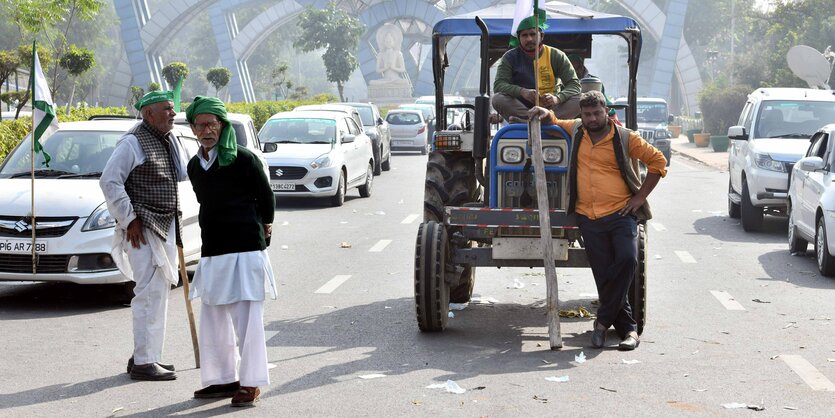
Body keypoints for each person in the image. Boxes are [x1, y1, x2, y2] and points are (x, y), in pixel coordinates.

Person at [529, 91, 667, 351]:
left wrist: (638, 199)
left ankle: (602, 324)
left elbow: (659, 162)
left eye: (597, 113)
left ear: (606, 112)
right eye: (588, 114)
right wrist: (544, 112)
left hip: (620, 214)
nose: (592, 118)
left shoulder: (626, 138)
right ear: (582, 114)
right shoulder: (578, 130)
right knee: (604, 276)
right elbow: (555, 121)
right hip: (588, 217)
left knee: (627, 260)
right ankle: (629, 331)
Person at [185, 96, 277, 407]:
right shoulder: (195, 165)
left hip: (245, 247)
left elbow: (265, 197)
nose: (207, 129)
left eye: (213, 123)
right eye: (201, 124)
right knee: (213, 317)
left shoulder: (243, 159)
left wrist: (266, 224)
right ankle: (221, 379)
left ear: (222, 126)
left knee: (247, 318)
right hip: (212, 248)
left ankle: (251, 382)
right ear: (194, 128)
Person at [100, 90, 188, 380]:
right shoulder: (132, 142)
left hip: (164, 226)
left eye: (173, 109)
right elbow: (110, 181)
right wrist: (130, 219)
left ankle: (147, 355)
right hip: (143, 230)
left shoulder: (169, 139)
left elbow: (180, 176)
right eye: (167, 109)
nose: (173, 114)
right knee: (149, 294)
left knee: (159, 292)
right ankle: (144, 362)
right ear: (149, 114)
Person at [492, 9, 581, 122]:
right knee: (497, 99)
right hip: (522, 107)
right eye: (524, 35)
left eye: (533, 34)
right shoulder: (509, 57)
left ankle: (538, 119)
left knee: (581, 99)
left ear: (541, 35)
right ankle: (534, 119)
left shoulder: (556, 55)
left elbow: (574, 84)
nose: (529, 39)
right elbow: (499, 85)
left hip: (553, 108)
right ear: (518, 38)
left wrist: (557, 98)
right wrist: (522, 92)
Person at [567, 53, 621, 126]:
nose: (576, 72)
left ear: (582, 67)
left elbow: (604, 101)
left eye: (578, 68)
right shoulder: (560, 83)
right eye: (572, 69)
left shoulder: (595, 82)